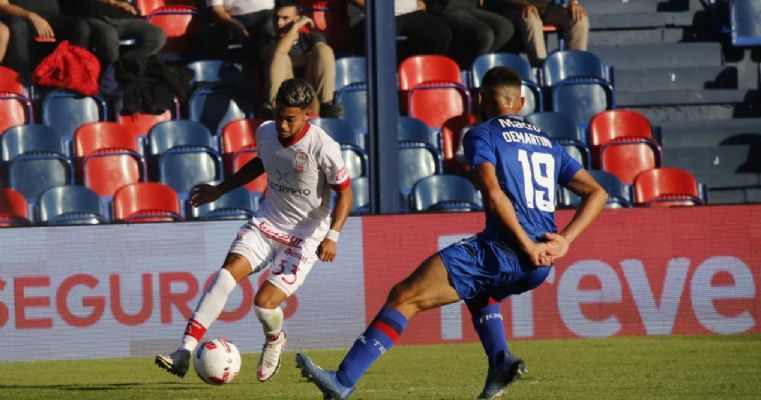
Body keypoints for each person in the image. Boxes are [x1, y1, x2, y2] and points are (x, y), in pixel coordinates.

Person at [295, 66, 608, 400]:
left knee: (405, 297)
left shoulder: (482, 134)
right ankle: (500, 361)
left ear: (481, 100)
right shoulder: (547, 143)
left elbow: (493, 193)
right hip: (541, 261)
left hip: (506, 249)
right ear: (521, 100)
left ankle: (342, 382)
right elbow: (598, 193)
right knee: (479, 291)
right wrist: (565, 241)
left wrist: (526, 244)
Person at [155, 77, 354, 383]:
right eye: (279, 117)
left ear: (307, 114)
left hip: (304, 236)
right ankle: (184, 350)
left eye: (290, 119)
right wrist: (220, 189)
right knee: (225, 275)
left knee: (263, 305)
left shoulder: (324, 147)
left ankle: (275, 339)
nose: (283, 126)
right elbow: (260, 163)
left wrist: (333, 235)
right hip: (267, 222)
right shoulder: (265, 132)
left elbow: (346, 193)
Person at [256, 0, 341, 118]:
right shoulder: (267, 41)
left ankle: (328, 104)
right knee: (279, 58)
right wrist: (294, 28)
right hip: (284, 102)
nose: (279, 23)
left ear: (297, 18)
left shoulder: (311, 38)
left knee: (323, 50)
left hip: (310, 101)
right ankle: (275, 109)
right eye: (276, 18)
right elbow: (276, 54)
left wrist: (294, 62)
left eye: (285, 18)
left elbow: (322, 57)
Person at [0, 0, 90, 80]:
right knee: (18, 25)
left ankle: (76, 80)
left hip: (52, 19)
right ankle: (22, 83)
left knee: (81, 27)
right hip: (23, 17)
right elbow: (2, 5)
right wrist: (30, 15)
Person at [62, 0, 166, 68]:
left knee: (157, 35)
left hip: (120, 16)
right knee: (109, 36)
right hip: (91, 16)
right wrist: (112, 2)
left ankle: (122, 68)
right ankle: (109, 79)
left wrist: (124, 4)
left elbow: (131, 6)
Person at [487, 0, 589, 67]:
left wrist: (573, 3)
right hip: (516, 7)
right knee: (531, 21)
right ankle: (542, 69)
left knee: (578, 19)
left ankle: (575, 69)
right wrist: (524, 5)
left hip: (547, 8)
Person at [347, 0, 452, 62]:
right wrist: (374, 8)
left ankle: (423, 78)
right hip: (372, 17)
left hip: (411, 13)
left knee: (440, 32)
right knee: (379, 38)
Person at [428, 0, 515, 68]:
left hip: (470, 7)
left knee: (506, 28)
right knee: (485, 34)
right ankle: (471, 72)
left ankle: (478, 64)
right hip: (448, 9)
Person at [200, 0, 274, 62]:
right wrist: (234, 26)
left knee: (269, 41)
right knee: (213, 32)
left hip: (268, 13)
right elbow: (216, 10)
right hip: (232, 18)